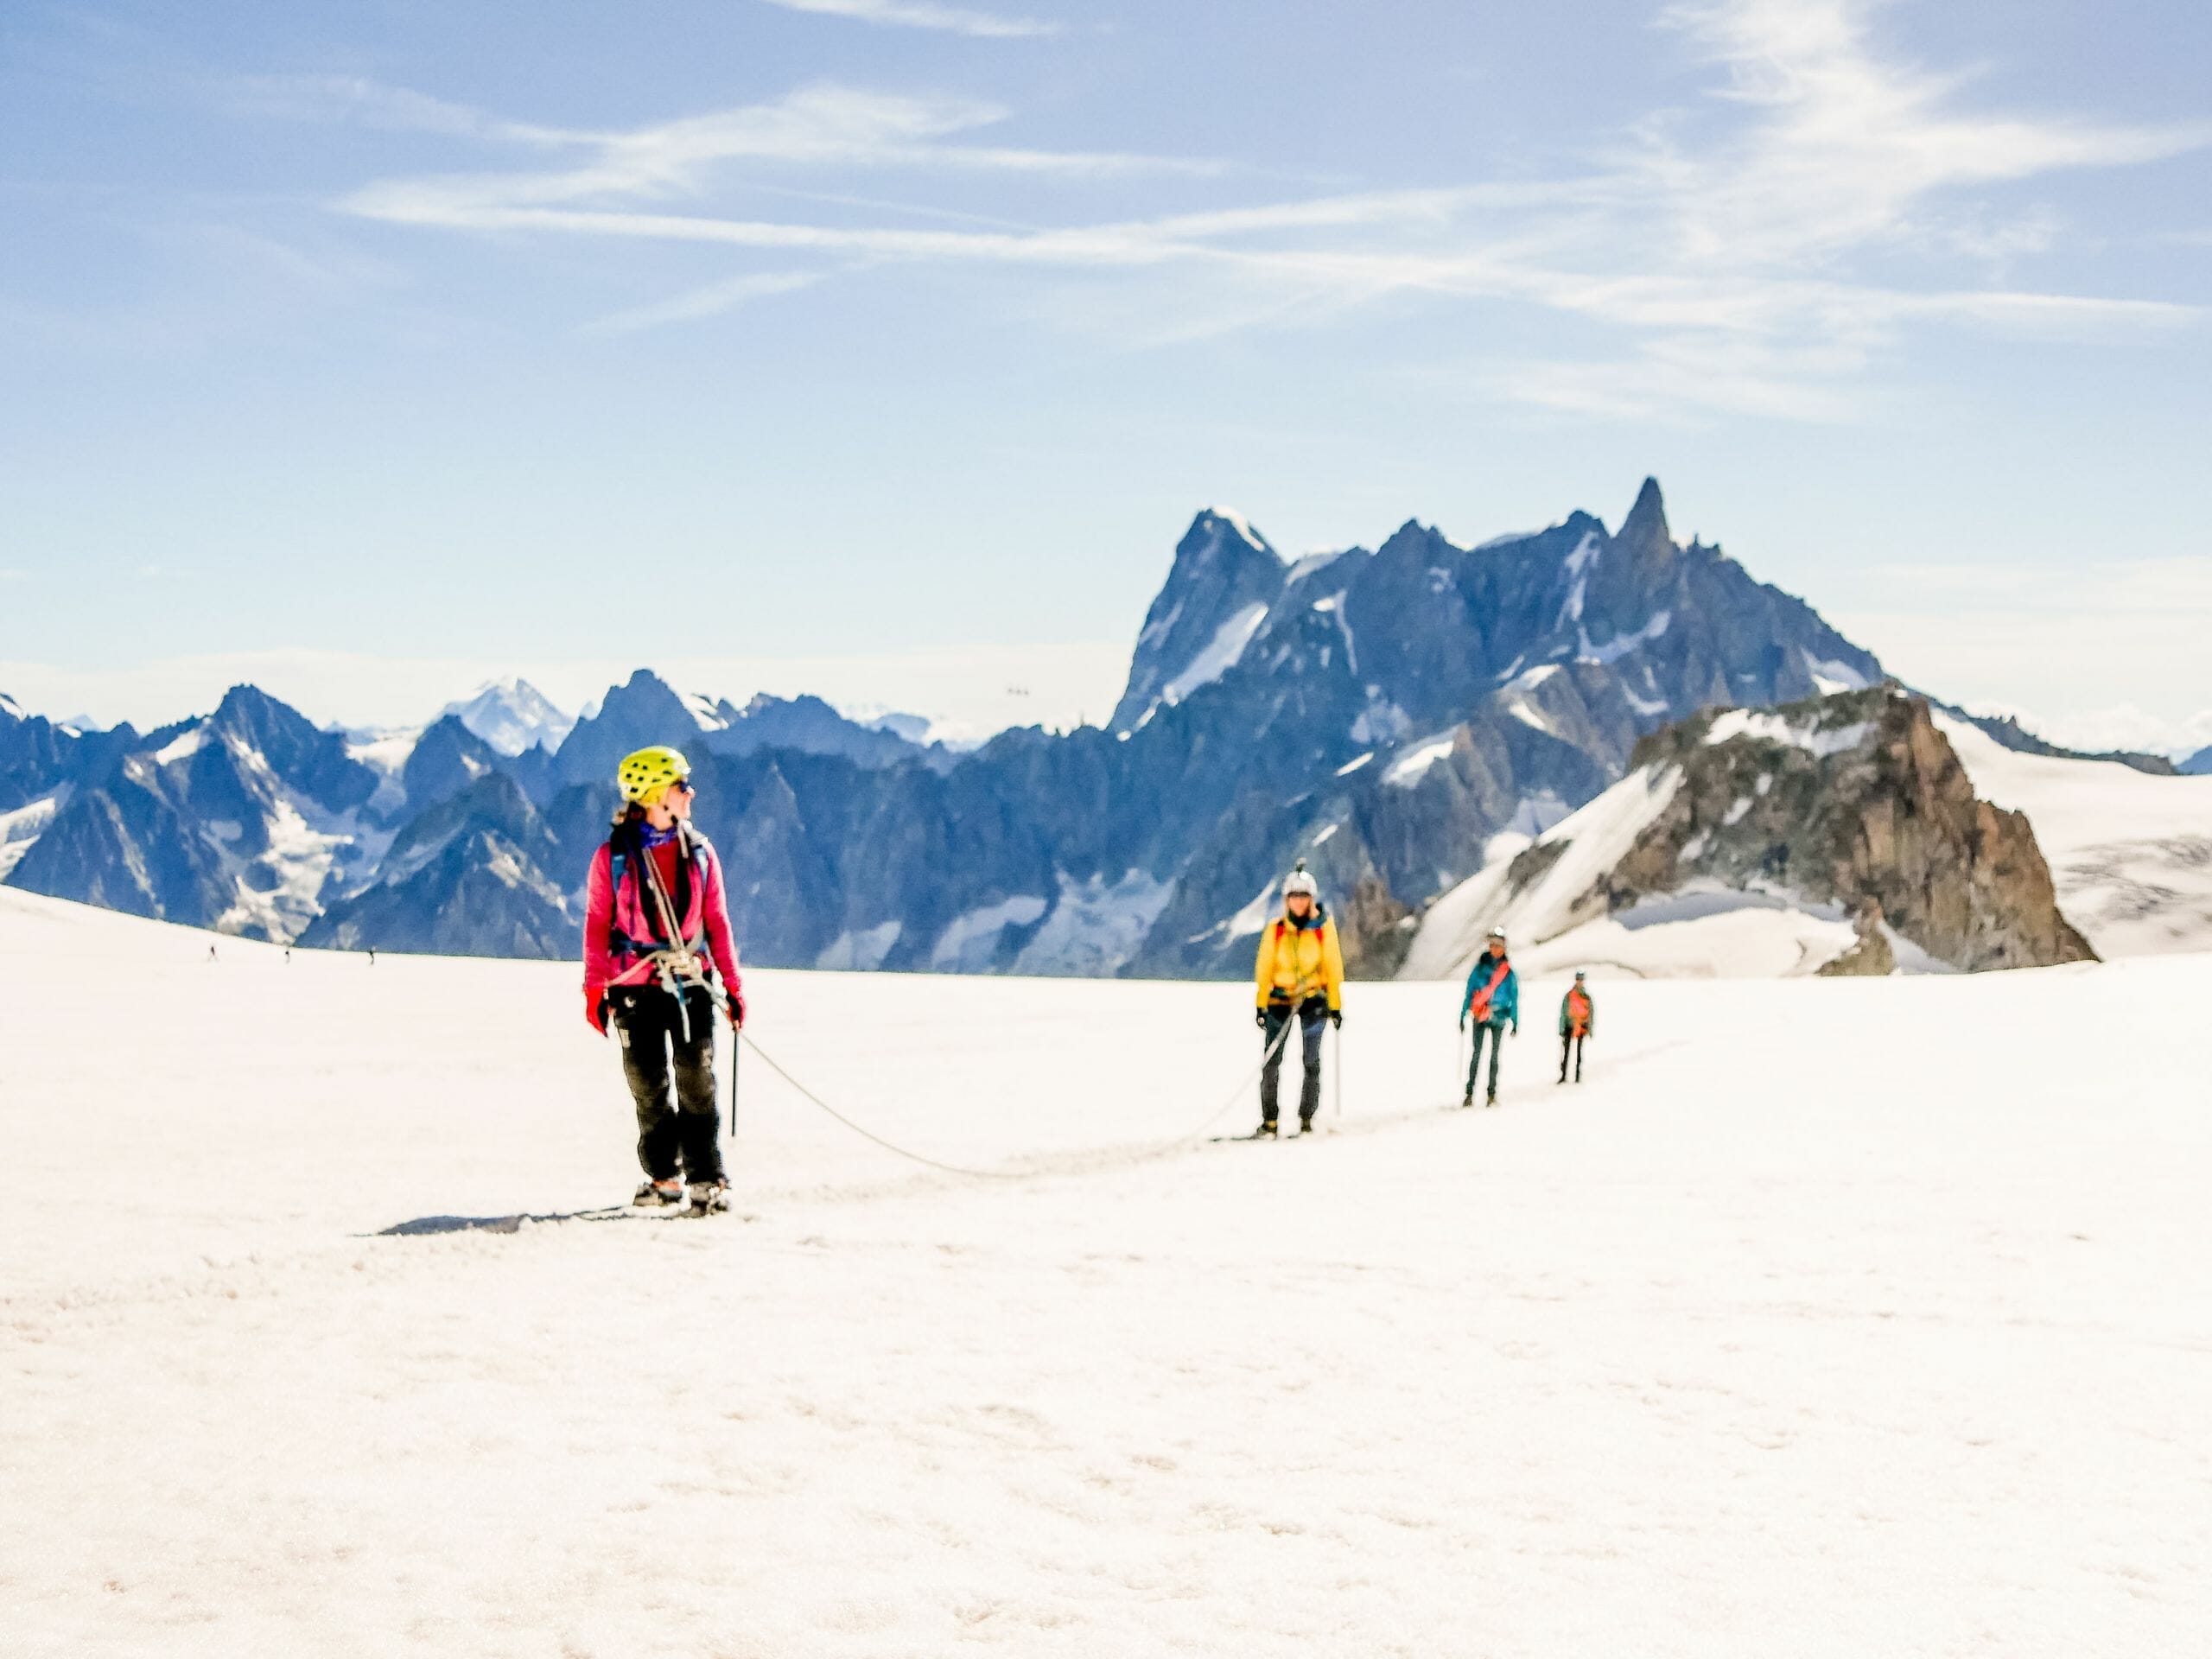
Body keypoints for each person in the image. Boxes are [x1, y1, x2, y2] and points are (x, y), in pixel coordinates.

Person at [582, 746, 746, 1211]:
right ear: (655, 795)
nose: (689, 793)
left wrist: (732, 987)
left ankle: (706, 1177)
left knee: (697, 1077)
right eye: (680, 785)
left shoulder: (700, 853)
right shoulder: (611, 858)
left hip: (691, 979)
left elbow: (717, 920)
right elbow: (598, 924)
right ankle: (664, 1176)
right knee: (647, 1081)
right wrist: (596, 988)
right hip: (634, 985)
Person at [1249, 868, 1344, 1137]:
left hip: (1313, 1001)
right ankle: (1270, 1121)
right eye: (1294, 896)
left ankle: (1306, 1118)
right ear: (1287, 900)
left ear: (1311, 898)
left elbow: (1333, 968)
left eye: (1303, 896)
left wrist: (1335, 1006)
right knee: (1271, 1062)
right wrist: (1261, 1003)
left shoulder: (1323, 930)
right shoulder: (1276, 930)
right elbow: (1264, 968)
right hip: (1279, 1000)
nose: (1299, 901)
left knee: (1311, 1060)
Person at [1459, 927, 1518, 1107]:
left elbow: (1514, 997)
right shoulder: (1482, 969)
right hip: (1481, 1015)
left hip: (1499, 1016)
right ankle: (1470, 1094)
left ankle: (1491, 1094)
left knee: (1493, 1056)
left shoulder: (1507, 973)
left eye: (1498, 946)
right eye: (1493, 945)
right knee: (1477, 1055)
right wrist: (1463, 1014)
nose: (1495, 949)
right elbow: (1469, 992)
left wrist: (1515, 1020)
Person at [1558, 969, 1594, 1084]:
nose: (1579, 981)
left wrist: (1590, 1028)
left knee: (1579, 1053)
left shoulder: (1586, 996)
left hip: (1581, 1027)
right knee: (1566, 1052)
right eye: (1578, 979)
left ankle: (1577, 1076)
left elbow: (1590, 1014)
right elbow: (1563, 1012)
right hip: (1569, 1026)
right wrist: (1562, 1028)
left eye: (1581, 979)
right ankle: (1564, 1075)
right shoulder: (1569, 995)